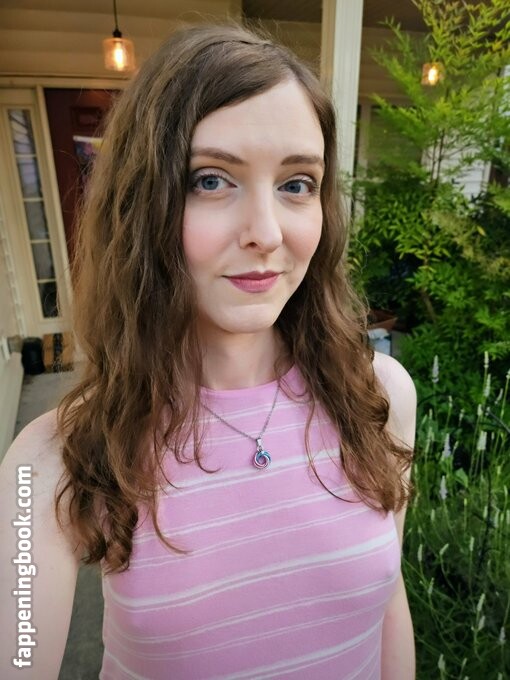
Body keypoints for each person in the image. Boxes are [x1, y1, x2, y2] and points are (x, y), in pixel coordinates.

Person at [0, 23, 416, 680]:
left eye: (297, 183)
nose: (266, 233)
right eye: (212, 180)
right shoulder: (53, 460)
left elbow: (387, 604)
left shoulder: (379, 398)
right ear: (143, 205)